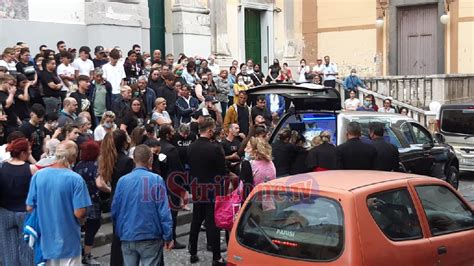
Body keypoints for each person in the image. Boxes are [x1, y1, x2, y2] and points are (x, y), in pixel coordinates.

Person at [26, 141, 91, 265]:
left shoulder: (38, 176)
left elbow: (29, 207)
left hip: (45, 238)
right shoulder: (76, 179)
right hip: (69, 239)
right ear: (73, 157)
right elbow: (79, 213)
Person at [112, 144, 173, 265]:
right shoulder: (156, 180)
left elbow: (115, 210)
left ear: (134, 159)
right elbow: (164, 211)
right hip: (150, 234)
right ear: (150, 159)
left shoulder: (122, 181)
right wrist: (168, 235)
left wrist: (121, 231)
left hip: (128, 234)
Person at [187, 118, 226, 266]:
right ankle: (216, 257)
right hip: (211, 188)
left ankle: (193, 252)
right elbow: (221, 170)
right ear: (209, 131)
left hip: (197, 188)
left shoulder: (191, 147)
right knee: (212, 222)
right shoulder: (214, 148)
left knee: (196, 220)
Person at [98, 130, 134, 266]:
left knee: (117, 237)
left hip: (114, 197)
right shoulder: (126, 161)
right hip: (125, 200)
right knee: (124, 239)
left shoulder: (107, 158)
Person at [0, 138, 38, 266]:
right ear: (23, 153)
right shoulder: (31, 169)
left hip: (5, 211)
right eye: (28, 151)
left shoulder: (2, 167)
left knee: (8, 251)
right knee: (27, 249)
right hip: (25, 212)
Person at [158, 125, 187, 249]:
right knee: (172, 213)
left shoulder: (159, 146)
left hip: (160, 182)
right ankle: (172, 238)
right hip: (172, 184)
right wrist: (184, 186)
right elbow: (178, 169)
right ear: (168, 134)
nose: (174, 133)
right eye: (172, 132)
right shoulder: (171, 149)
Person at [73, 140, 102, 265]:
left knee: (82, 227)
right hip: (93, 200)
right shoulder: (96, 166)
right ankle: (87, 255)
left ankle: (80, 252)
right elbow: (99, 183)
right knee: (93, 226)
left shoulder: (78, 165)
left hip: (79, 200)